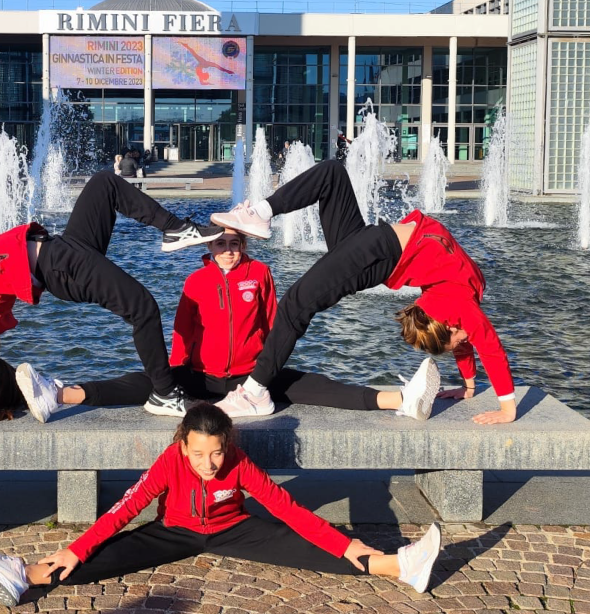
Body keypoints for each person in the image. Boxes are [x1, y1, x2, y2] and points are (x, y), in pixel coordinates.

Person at [0, 403, 442, 608]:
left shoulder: (238, 462)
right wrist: (77, 547)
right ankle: (24, 575)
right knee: (101, 555)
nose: (210, 464)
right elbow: (123, 511)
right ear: (182, 443)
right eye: (199, 454)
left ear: (227, 443)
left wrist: (346, 541)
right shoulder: (168, 463)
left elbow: (287, 508)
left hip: (236, 529)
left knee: (307, 543)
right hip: (173, 531)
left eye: (216, 452)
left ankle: (396, 566)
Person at [0, 171, 225, 425]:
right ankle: (166, 394)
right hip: (61, 268)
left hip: (63, 250)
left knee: (104, 183)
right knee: (143, 309)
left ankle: (175, 228)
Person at [16, 229, 437, 423]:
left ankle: (400, 399)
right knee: (141, 383)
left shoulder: (262, 274)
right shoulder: (196, 281)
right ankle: (57, 394)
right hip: (202, 376)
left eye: (236, 244)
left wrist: (267, 372)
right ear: (209, 248)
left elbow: (278, 323)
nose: (229, 251)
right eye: (221, 244)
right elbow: (183, 333)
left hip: (253, 379)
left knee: (316, 385)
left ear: (244, 246)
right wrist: (174, 379)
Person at [208, 160, 516, 424]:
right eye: (459, 339)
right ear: (449, 324)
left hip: (376, 250)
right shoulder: (461, 306)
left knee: (296, 303)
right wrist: (507, 407)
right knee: (331, 175)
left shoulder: (460, 300)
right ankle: (257, 393)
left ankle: (255, 388)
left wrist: (469, 385)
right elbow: (489, 347)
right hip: (377, 249)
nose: (466, 342)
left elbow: (465, 340)